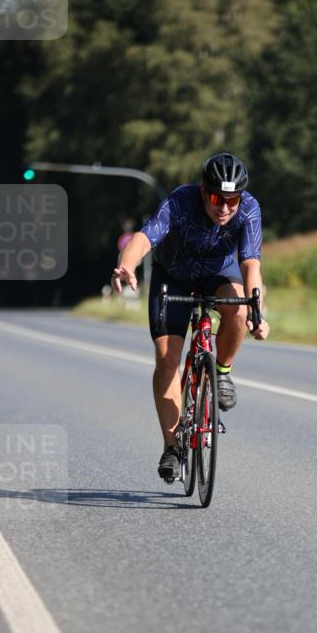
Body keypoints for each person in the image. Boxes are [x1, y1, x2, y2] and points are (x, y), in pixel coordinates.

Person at [112, 152, 270, 482]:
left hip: (218, 274)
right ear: (203, 191)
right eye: (216, 198)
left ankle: (222, 371)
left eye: (232, 200)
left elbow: (251, 265)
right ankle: (172, 447)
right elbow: (143, 239)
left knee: (237, 310)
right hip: (174, 276)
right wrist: (126, 265)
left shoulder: (250, 210)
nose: (224, 207)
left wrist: (257, 310)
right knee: (168, 358)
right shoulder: (180, 202)